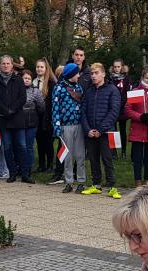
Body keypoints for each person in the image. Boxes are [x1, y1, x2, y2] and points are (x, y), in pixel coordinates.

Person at [80, 62, 121, 198]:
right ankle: (96, 185)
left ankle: (112, 186)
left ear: (103, 74)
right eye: (92, 73)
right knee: (93, 159)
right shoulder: (88, 91)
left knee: (107, 159)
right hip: (90, 133)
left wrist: (100, 130)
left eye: (96, 73)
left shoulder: (112, 90)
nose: (93, 76)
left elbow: (114, 112)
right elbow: (83, 112)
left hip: (106, 132)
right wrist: (87, 130)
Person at [0, 55, 30, 183]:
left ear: (12, 65)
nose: (6, 66)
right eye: (3, 63)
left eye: (8, 63)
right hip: (4, 120)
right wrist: (5, 110)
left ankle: (25, 174)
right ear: (0, 65)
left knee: (22, 146)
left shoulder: (18, 80)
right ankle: (12, 173)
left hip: (17, 118)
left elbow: (22, 97)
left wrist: (12, 109)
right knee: (7, 147)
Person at [124, 66, 148, 186]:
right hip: (137, 129)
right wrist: (140, 117)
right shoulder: (136, 91)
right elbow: (128, 109)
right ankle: (137, 181)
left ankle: (147, 181)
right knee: (137, 158)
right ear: (142, 78)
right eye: (147, 78)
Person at [53, 63, 86, 193]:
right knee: (68, 155)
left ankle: (81, 181)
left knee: (80, 154)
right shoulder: (59, 88)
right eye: (77, 73)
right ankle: (69, 182)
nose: (78, 75)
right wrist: (57, 126)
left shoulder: (79, 88)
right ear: (71, 74)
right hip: (65, 126)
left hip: (79, 125)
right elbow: (55, 109)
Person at [34, 58, 56, 173]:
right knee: (39, 142)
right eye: (38, 67)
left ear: (46, 68)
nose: (39, 69)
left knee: (48, 142)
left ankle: (50, 164)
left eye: (41, 67)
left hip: (47, 117)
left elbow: (52, 102)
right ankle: (41, 164)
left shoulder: (51, 83)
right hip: (36, 117)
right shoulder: (33, 82)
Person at [21, 69, 45, 181]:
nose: (26, 80)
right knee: (20, 146)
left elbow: (42, 107)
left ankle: (28, 170)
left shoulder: (36, 91)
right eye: (24, 78)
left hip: (31, 123)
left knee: (29, 146)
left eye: (29, 78)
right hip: (19, 123)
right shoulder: (17, 90)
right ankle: (20, 168)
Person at [111, 58, 131, 159]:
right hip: (112, 108)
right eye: (115, 67)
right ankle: (113, 151)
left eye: (118, 67)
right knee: (113, 130)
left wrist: (120, 104)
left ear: (122, 67)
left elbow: (127, 93)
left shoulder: (126, 78)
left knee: (122, 130)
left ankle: (123, 152)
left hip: (122, 108)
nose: (117, 69)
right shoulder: (111, 78)